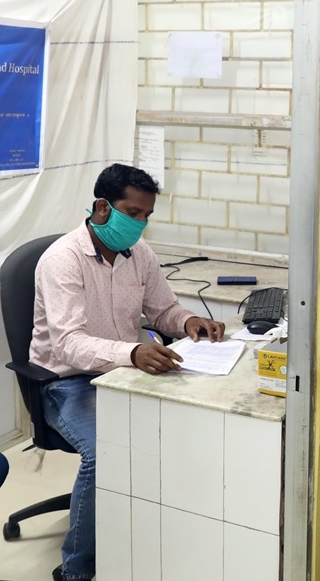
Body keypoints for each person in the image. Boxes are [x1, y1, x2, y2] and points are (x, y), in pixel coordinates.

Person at [29, 164, 225, 581]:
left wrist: (189, 322)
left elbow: (163, 310)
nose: (139, 225)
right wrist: (133, 352)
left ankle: (148, 534)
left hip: (124, 370)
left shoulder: (140, 255)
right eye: (132, 214)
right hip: (65, 382)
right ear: (102, 207)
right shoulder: (62, 260)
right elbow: (68, 344)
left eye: (146, 217)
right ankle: (76, 571)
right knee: (106, 454)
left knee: (187, 425)